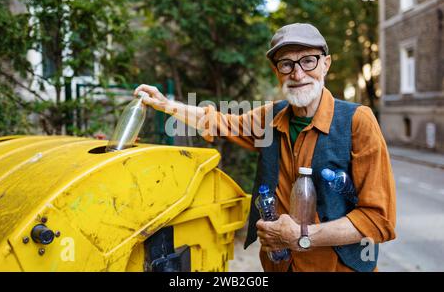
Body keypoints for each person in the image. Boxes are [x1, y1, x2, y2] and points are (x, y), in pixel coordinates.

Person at [134, 23, 396, 272]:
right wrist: (166, 105)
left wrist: (302, 236)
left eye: (308, 60)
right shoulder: (270, 117)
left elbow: (378, 220)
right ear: (276, 71)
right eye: (286, 64)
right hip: (279, 266)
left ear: (326, 64)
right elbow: (219, 122)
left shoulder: (357, 121)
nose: (297, 73)